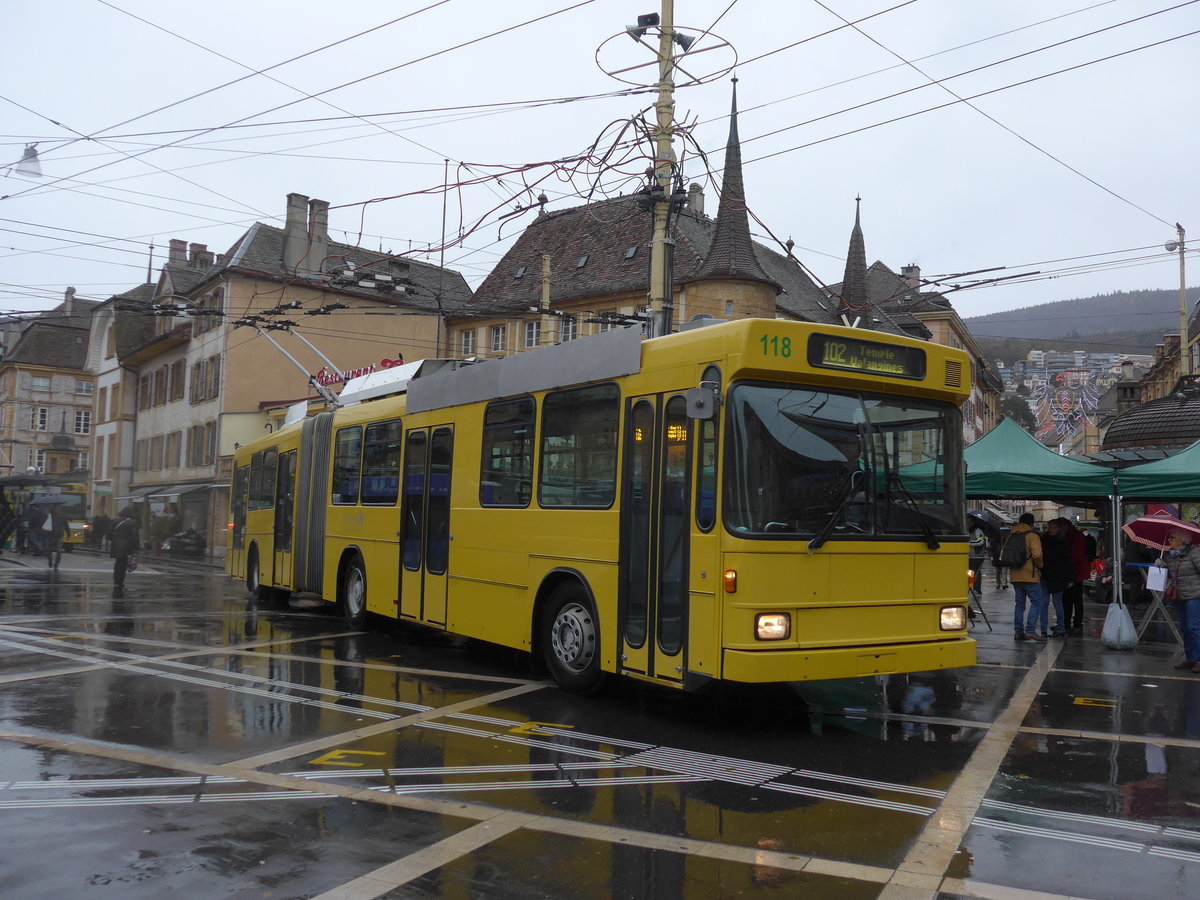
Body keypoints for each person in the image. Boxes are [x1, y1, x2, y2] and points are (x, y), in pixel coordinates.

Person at [1009, 513, 1046, 642]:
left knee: (1019, 604)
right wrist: (1040, 566)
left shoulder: (1012, 535)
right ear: (1031, 523)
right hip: (1030, 575)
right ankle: (1030, 630)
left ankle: (1018, 632)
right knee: (1037, 602)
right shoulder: (1032, 536)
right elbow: (1037, 555)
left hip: (1015, 575)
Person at [1167, 528, 1200, 673]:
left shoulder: (1194, 552)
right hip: (1179, 595)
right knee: (1185, 628)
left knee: (1193, 627)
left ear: (1182, 540)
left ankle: (1199, 660)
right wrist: (1161, 563)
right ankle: (1190, 658)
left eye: (1172, 538)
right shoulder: (1171, 555)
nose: (1169, 540)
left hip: (1194, 594)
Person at [1039, 519, 1072, 638]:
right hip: (1046, 575)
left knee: (1057, 603)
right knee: (1044, 602)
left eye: (1053, 527)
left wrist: (1070, 578)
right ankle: (1044, 629)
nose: (1051, 529)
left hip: (1057, 576)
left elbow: (1068, 562)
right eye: (1049, 527)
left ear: (1058, 529)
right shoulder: (1045, 540)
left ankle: (1060, 627)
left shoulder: (1062, 542)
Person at [1060, 519, 1090, 632]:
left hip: (1076, 572)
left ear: (1065, 526)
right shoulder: (1071, 535)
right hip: (1073, 571)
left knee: (1075, 599)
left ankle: (1076, 624)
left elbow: (1077, 555)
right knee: (1068, 599)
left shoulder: (1076, 536)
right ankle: (1068, 623)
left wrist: (1065, 563)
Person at [109, 506, 141, 592]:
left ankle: (116, 580)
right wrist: (136, 546)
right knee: (123, 563)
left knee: (117, 562)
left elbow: (109, 532)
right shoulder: (132, 522)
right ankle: (120, 581)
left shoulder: (114, 520)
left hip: (115, 545)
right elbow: (135, 536)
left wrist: (114, 540)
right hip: (127, 545)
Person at [43, 502, 71, 570]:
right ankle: (50, 560)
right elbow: (44, 524)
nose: (58, 508)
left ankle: (56, 564)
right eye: (57, 507)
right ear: (53, 507)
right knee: (48, 551)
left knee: (59, 551)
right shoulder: (48, 515)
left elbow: (66, 525)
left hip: (59, 535)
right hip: (50, 535)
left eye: (59, 507)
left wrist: (68, 534)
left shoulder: (63, 516)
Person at [968, 519, 988, 596]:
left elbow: (980, 541)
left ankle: (976, 589)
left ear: (973, 523)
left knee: (976, 572)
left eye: (970, 522)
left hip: (977, 556)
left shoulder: (978, 531)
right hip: (971, 555)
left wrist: (969, 543)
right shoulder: (971, 530)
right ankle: (971, 587)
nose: (968, 523)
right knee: (971, 572)